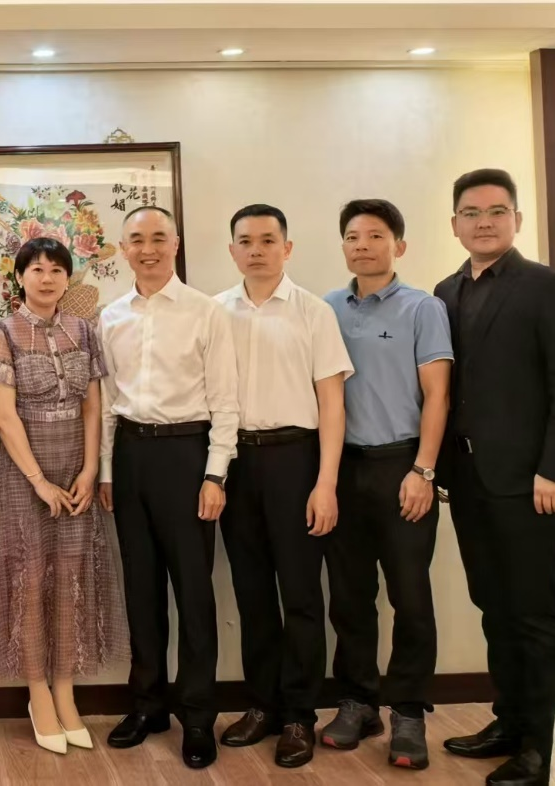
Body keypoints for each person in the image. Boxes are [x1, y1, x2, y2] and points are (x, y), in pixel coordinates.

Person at [434, 169, 555, 786]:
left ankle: (547, 745)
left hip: (531, 483)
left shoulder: (549, 287)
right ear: (455, 224)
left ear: (516, 220)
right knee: (493, 607)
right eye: (471, 213)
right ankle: (510, 720)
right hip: (468, 481)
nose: (484, 222)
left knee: (534, 614)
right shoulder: (445, 292)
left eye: (497, 211)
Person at [0, 237, 129, 755]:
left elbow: (92, 406)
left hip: (75, 468)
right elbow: (2, 415)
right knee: (29, 579)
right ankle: (38, 693)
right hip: (24, 475)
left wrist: (90, 468)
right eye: (37, 269)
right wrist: (39, 480)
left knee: (71, 577)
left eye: (57, 270)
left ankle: (65, 691)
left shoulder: (83, 329)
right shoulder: (1, 332)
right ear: (19, 277)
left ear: (67, 279)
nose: (47, 278)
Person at [96, 205, 239, 770]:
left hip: (187, 455)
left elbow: (225, 400)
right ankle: (148, 704)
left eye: (159, 238)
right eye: (137, 239)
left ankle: (198, 715)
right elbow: (108, 403)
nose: (148, 249)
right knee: (142, 587)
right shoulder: (111, 317)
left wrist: (215, 474)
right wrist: (107, 472)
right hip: (131, 456)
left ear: (175, 244)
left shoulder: (206, 312)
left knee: (194, 591)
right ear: (123, 249)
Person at [214, 204, 353, 769]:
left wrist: (326, 484)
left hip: (297, 460)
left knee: (300, 595)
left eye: (268, 240)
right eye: (245, 241)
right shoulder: (215, 312)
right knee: (251, 594)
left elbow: (333, 404)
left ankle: (299, 714)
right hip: (236, 462)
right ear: (232, 250)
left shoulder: (314, 311)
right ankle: (263, 704)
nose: (256, 250)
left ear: (287, 248)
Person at [320, 199, 452, 770]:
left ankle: (409, 712)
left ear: (399, 245)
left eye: (376, 235)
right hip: (341, 467)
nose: (363, 245)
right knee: (349, 597)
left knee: (410, 596)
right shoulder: (326, 307)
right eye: (353, 236)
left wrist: (424, 470)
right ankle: (358, 701)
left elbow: (438, 395)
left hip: (403, 465)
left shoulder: (423, 308)